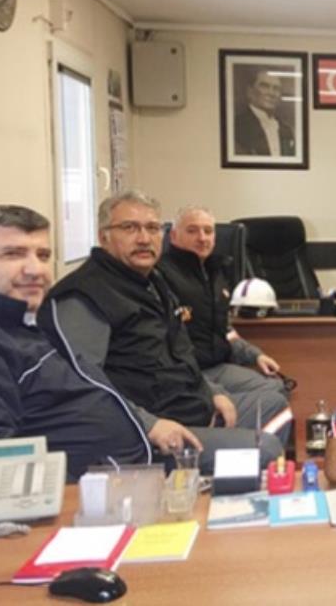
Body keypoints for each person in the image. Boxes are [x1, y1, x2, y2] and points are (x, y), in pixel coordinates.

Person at [49, 190, 290, 468]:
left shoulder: (153, 283)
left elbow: (182, 354)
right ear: (104, 237)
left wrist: (213, 392)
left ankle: (227, 480)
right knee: (266, 449)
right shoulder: (86, 295)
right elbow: (82, 385)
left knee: (274, 404)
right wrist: (149, 424)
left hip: (189, 406)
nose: (144, 238)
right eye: (129, 228)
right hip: (147, 433)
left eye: (152, 228)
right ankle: (218, 481)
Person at [0, 206, 153, 479]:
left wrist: (148, 425)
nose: (35, 270)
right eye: (12, 254)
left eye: (43, 255)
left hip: (135, 459)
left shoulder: (21, 314)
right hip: (91, 489)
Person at [158, 206, 291, 401]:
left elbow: (226, 331)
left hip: (217, 366)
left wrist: (255, 355)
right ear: (174, 236)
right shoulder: (160, 275)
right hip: (185, 374)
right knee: (260, 400)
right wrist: (212, 390)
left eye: (208, 231)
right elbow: (164, 345)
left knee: (277, 388)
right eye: (192, 231)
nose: (202, 238)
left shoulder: (217, 273)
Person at [234, 68, 296, 157]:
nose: (271, 93)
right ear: (250, 91)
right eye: (264, 86)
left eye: (276, 88)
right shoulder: (237, 125)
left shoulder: (286, 130)